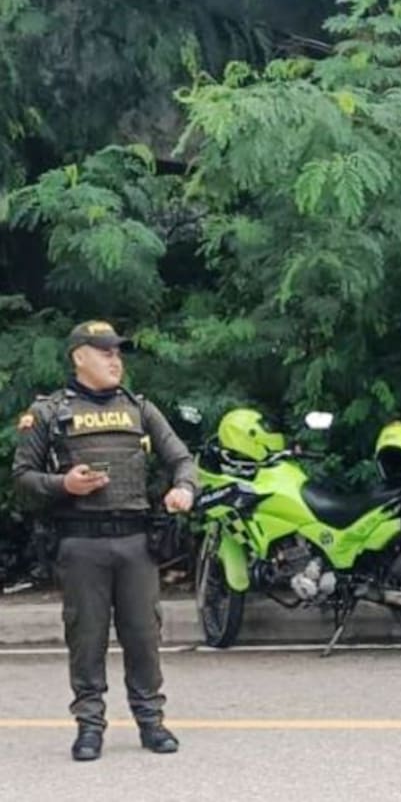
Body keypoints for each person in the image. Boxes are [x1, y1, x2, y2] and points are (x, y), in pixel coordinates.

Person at [12, 320, 197, 760]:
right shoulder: (48, 412)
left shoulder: (140, 409)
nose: (116, 360)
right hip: (81, 544)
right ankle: (89, 727)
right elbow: (22, 478)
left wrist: (185, 488)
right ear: (80, 357)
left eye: (117, 353)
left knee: (143, 636)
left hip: (136, 542)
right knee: (86, 638)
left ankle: (151, 722)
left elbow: (182, 459)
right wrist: (63, 485)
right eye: (105, 352)